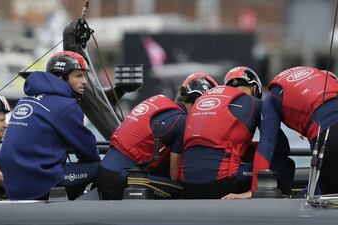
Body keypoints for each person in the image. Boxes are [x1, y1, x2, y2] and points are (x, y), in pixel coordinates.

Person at [96, 73, 218, 200]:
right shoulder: (182, 122)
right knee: (185, 189)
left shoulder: (160, 102)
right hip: (123, 178)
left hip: (104, 172)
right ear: (198, 100)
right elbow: (174, 175)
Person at [0, 51, 100, 200]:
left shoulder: (24, 101)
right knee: (100, 167)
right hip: (39, 182)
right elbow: (89, 152)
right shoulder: (67, 106)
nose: (85, 81)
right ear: (61, 78)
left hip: (12, 184)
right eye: (78, 75)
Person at [225, 66, 338, 199]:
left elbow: (266, 146)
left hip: (328, 141)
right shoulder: (323, 76)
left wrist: (255, 190)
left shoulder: (271, 99)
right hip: (328, 139)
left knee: (326, 201)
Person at [182, 66, 294, 199]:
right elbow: (278, 147)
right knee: (285, 164)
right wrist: (254, 191)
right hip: (221, 183)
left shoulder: (201, 102)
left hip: (187, 184)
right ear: (254, 88)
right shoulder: (255, 104)